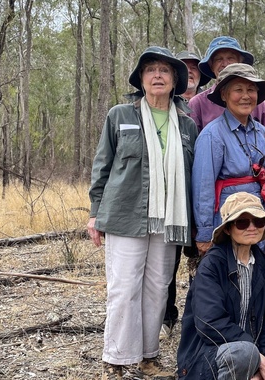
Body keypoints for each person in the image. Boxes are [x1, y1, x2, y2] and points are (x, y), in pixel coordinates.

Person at [88, 46, 198, 380]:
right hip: (125, 214)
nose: (158, 76)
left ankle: (148, 356)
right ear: (141, 78)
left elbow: (191, 176)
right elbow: (102, 165)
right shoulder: (120, 115)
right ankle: (117, 360)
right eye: (151, 70)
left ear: (176, 79)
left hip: (170, 220)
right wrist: (95, 212)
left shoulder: (187, 124)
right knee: (123, 288)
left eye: (165, 70)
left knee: (157, 288)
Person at [176, 192, 265, 380]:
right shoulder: (211, 265)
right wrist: (257, 359)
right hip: (207, 356)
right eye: (242, 222)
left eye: (258, 221)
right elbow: (210, 323)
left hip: (252, 355)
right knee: (243, 354)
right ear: (227, 229)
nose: (252, 227)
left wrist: (264, 364)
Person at [191, 63, 265, 256]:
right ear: (224, 95)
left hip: (257, 221)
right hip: (226, 221)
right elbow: (203, 188)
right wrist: (205, 232)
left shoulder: (262, 132)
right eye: (238, 90)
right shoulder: (212, 136)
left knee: (255, 273)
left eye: (251, 89)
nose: (246, 96)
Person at [159, 50, 209, 342]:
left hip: (200, 198)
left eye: (195, 68)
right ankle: (166, 316)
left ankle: (200, 314)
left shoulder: (209, 103)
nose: (190, 72)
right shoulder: (166, 106)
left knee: (200, 259)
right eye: (185, 68)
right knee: (166, 261)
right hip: (171, 201)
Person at [187, 36, 265, 147]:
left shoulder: (257, 102)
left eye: (231, 58)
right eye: (219, 59)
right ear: (211, 65)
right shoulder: (197, 103)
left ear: (240, 62)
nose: (225, 64)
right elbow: (192, 147)